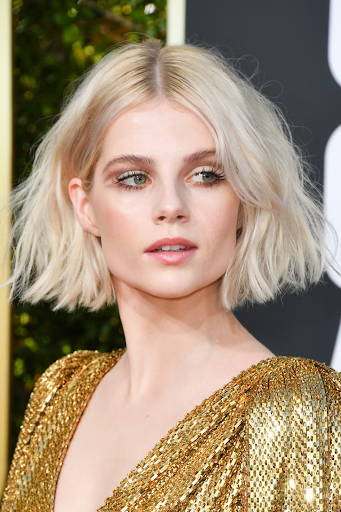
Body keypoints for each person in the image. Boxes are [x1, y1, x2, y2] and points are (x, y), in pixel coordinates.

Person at [1, 38, 340, 512]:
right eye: (134, 178)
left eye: (206, 175)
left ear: (244, 198)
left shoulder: (292, 410)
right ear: (85, 206)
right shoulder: (61, 395)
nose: (171, 208)